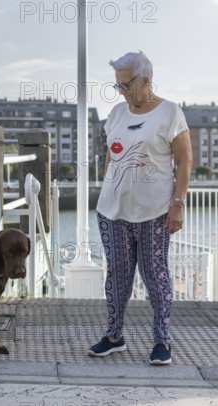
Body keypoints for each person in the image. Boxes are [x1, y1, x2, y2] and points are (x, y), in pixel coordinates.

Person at [88, 51, 192, 365]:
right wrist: (110, 181)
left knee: (155, 276)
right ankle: (114, 336)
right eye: (117, 86)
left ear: (145, 81)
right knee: (117, 275)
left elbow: (185, 161)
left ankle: (162, 341)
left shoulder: (170, 113)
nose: (120, 91)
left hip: (155, 212)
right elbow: (111, 154)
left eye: (125, 85)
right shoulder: (117, 113)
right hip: (112, 211)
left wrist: (178, 204)